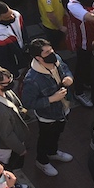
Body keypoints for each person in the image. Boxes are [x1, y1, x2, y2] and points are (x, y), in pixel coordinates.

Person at [21, 39, 74, 177]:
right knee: (45, 138)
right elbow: (28, 102)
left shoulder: (56, 59)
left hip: (63, 109)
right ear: (38, 57)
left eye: (51, 50)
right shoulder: (32, 79)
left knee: (57, 133)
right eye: (47, 52)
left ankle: (53, 152)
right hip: (48, 115)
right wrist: (51, 99)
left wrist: (69, 77)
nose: (52, 53)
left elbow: (65, 68)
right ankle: (42, 161)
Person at [0, 1, 27, 75]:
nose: (12, 17)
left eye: (11, 13)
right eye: (8, 17)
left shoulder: (17, 15)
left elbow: (24, 33)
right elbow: (2, 59)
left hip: (23, 50)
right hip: (13, 57)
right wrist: (14, 73)